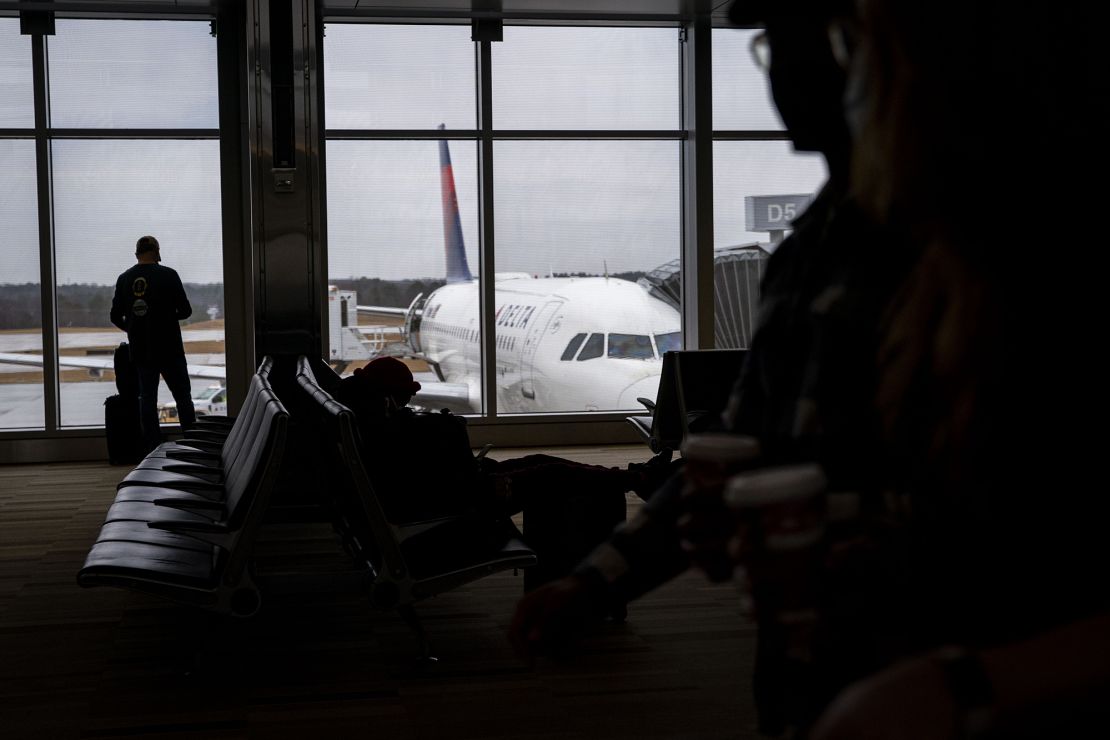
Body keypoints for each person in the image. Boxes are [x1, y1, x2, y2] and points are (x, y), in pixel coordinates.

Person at [510, 4, 915, 733]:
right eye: (773, 48)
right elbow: (745, 438)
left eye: (807, 42)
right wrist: (597, 581)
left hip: (917, 677)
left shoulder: (951, 247)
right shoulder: (810, 249)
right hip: (804, 665)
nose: (784, 76)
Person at [805, 1, 1110, 738]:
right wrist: (893, 552)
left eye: (856, 42)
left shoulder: (1049, 286)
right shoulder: (951, 276)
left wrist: (969, 686)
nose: (847, 76)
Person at [335, 356, 677, 526]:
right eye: (404, 397)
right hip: (460, 502)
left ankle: (636, 476)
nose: (409, 403)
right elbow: (428, 480)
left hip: (458, 489)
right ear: (389, 395)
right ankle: (637, 478)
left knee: (542, 462)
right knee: (551, 474)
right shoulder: (388, 428)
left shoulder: (367, 419)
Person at [110, 235, 196, 451]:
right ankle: (193, 445)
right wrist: (165, 317)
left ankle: (152, 448)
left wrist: (134, 328)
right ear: (157, 252)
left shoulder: (124, 279)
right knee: (183, 398)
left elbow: (114, 315)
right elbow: (186, 310)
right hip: (170, 348)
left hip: (141, 350)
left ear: (137, 254)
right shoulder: (169, 275)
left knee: (147, 400)